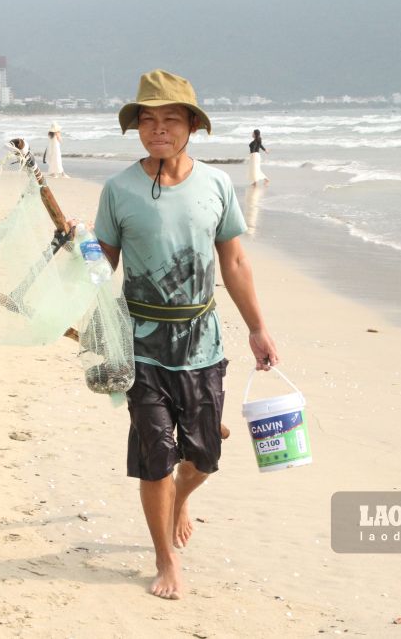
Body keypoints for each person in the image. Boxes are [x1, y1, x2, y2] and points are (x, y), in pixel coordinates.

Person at [93, 69, 279, 601]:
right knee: (155, 456)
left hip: (202, 343)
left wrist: (258, 329)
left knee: (202, 458)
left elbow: (236, 262)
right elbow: (99, 266)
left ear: (191, 126)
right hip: (141, 346)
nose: (158, 129)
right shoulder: (119, 189)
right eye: (147, 120)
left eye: (169, 119)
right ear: (137, 129)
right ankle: (164, 558)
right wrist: (77, 266)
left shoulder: (217, 186)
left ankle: (181, 498)